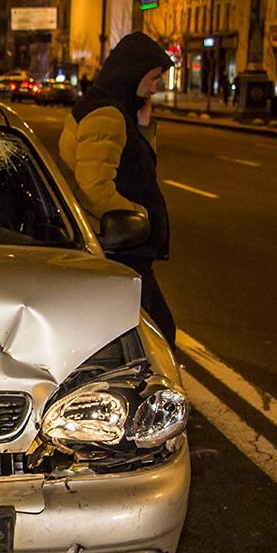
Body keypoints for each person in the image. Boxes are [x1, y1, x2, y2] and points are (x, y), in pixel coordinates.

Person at [59, 32, 177, 347]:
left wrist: (142, 121)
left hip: (126, 247)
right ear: (132, 72)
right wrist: (138, 217)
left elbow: (136, 165)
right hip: (122, 246)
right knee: (157, 336)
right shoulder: (107, 115)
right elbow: (94, 188)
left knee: (147, 334)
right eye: (152, 78)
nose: (154, 87)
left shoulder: (115, 110)